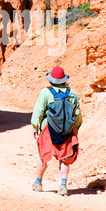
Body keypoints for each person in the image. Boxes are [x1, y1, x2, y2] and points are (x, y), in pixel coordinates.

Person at [31, 66, 82, 196]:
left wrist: (35, 127)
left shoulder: (46, 92)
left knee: (43, 156)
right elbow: (77, 115)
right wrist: (74, 128)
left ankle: (38, 183)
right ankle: (63, 186)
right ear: (64, 79)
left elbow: (38, 112)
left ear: (51, 80)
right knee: (64, 158)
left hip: (48, 130)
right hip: (67, 131)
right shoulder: (72, 93)